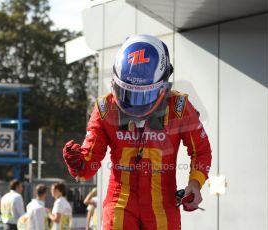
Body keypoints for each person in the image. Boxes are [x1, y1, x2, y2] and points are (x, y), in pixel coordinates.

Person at [63, 34, 212, 229]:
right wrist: (79, 163)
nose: (135, 103)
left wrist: (195, 184)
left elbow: (201, 151)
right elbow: (88, 165)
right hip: (120, 202)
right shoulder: (105, 107)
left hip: (162, 206)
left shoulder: (179, 107)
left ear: (163, 84)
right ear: (115, 82)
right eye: (128, 92)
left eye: (144, 94)